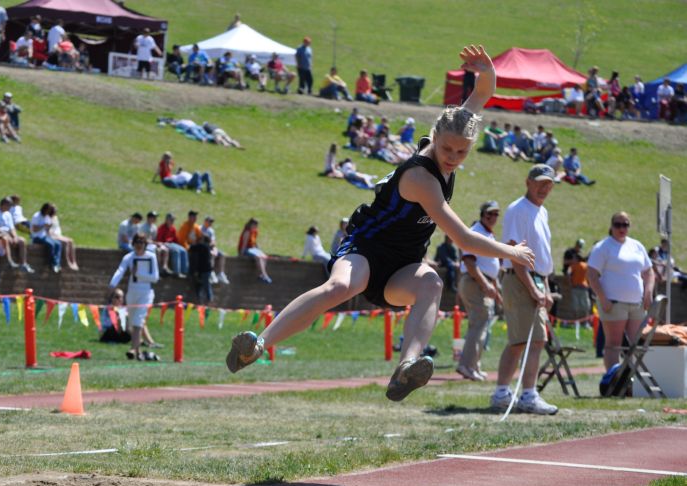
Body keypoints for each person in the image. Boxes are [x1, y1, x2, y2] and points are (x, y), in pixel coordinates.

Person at [226, 46, 535, 404]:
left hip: (401, 265)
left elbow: (482, 95)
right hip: (365, 249)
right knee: (340, 287)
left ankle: (406, 369)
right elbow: (462, 237)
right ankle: (258, 345)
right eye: (447, 150)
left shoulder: (458, 127)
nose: (452, 158)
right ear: (434, 138)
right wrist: (510, 251)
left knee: (432, 284)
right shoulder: (422, 177)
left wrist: (485, 69)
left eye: (461, 153)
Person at [491, 164, 558, 415]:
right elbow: (515, 252)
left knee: (520, 341)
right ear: (528, 182)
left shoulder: (541, 212)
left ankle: (502, 393)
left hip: (533, 279)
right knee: (534, 340)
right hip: (520, 279)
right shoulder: (519, 210)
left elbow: (542, 257)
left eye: (549, 184)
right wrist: (533, 287)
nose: (545, 188)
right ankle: (527, 395)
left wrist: (546, 288)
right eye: (540, 182)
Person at [587, 212, 655, 373]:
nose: (621, 228)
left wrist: (648, 292)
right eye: (618, 224)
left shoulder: (637, 246)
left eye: (625, 224)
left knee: (636, 343)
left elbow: (649, 272)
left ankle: (636, 379)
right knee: (613, 344)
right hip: (613, 303)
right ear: (611, 226)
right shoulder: (603, 247)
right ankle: (613, 380)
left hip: (636, 303)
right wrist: (603, 299)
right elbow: (591, 275)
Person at [456, 201, 502, 381]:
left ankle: (474, 365)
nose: (492, 217)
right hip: (475, 282)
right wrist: (486, 284)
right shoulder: (475, 231)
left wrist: (494, 286)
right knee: (479, 325)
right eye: (489, 214)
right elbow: (469, 261)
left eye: (496, 214)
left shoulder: (487, 234)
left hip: (482, 282)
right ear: (482, 214)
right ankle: (466, 366)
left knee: (480, 325)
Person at [109, 233, 160, 361]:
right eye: (137, 242)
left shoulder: (151, 257)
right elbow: (121, 270)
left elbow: (155, 277)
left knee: (138, 322)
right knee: (132, 322)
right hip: (132, 292)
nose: (139, 245)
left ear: (145, 244)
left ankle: (132, 349)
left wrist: (138, 274)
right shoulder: (129, 257)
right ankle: (138, 352)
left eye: (141, 242)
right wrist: (112, 283)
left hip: (146, 292)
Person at [0, 196, 33, 272]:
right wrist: (7, 235)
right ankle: (9, 261)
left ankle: (23, 263)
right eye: (9, 206)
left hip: (7, 233)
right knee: (5, 239)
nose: (10, 208)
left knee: (22, 241)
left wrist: (15, 236)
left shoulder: (8, 214)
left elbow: (12, 228)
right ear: (3, 205)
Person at [30, 202, 62, 273]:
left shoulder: (47, 217)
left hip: (44, 236)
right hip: (36, 237)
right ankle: (51, 263)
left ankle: (57, 264)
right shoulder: (37, 216)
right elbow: (34, 229)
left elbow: (47, 229)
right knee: (51, 244)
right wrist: (43, 225)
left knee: (58, 244)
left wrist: (49, 227)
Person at [238, 217, 271, 283]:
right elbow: (244, 244)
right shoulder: (247, 232)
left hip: (253, 249)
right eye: (255, 225)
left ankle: (262, 274)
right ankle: (264, 274)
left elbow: (254, 242)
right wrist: (241, 253)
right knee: (258, 257)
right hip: (246, 249)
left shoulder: (255, 231)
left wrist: (259, 250)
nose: (256, 226)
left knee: (264, 256)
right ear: (251, 224)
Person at [156, 213, 188, 278]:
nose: (172, 221)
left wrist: (179, 245)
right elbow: (159, 239)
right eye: (171, 220)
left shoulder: (173, 228)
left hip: (172, 244)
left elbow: (175, 239)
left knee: (183, 250)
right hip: (164, 243)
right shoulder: (162, 228)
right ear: (166, 220)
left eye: (173, 220)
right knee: (176, 251)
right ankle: (176, 272)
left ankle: (185, 271)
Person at [200, 215, 229, 285]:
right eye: (209, 221)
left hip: (210, 247)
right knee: (212, 254)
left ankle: (221, 273)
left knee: (222, 255)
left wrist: (213, 247)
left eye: (211, 222)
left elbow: (213, 241)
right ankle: (211, 272)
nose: (210, 223)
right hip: (202, 248)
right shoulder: (199, 228)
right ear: (205, 221)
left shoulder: (211, 230)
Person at [140, 210, 171, 276]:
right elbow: (144, 239)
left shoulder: (154, 227)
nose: (155, 219)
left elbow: (155, 238)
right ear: (149, 218)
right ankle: (157, 269)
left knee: (165, 250)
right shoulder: (143, 227)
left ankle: (165, 267)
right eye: (153, 217)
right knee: (158, 251)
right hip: (145, 245)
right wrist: (155, 243)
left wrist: (157, 243)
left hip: (153, 244)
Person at [49, 203, 78, 270]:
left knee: (70, 241)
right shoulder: (48, 218)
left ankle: (73, 261)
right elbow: (49, 231)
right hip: (52, 236)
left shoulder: (55, 218)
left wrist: (60, 236)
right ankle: (67, 261)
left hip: (58, 235)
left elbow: (57, 229)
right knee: (66, 242)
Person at [189, 235, 214, 303]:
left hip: (204, 270)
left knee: (206, 286)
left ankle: (208, 301)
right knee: (201, 285)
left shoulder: (203, 246)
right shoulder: (207, 247)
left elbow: (191, 248)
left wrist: (193, 242)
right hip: (204, 270)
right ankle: (201, 301)